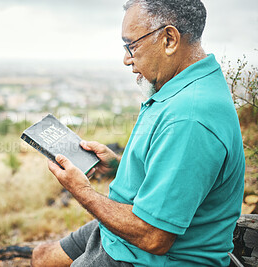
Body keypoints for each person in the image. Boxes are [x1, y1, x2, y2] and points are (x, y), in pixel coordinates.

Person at [31, 0, 245, 266]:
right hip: (125, 231)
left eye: (132, 45)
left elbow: (154, 237)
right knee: (41, 257)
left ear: (169, 39)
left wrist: (81, 190)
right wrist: (117, 168)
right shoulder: (179, 86)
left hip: (146, 256)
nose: (126, 59)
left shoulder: (189, 118)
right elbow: (173, 173)